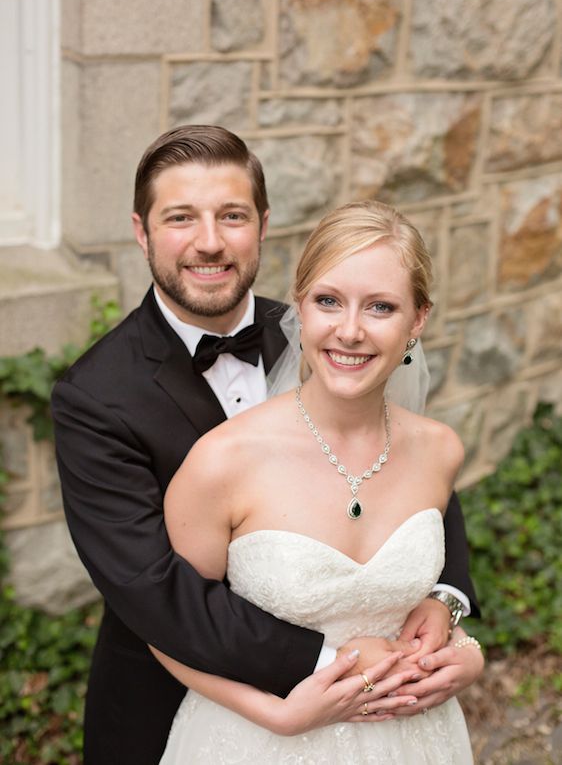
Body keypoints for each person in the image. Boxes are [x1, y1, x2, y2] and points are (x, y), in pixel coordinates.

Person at [51, 127, 480, 765]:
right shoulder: (94, 395)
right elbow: (152, 587)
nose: (210, 241)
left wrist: (447, 605)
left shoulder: (331, 330)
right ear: (141, 232)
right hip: (181, 700)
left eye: (232, 215)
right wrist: (331, 663)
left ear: (263, 224)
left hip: (393, 710)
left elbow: (409, 481)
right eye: (180, 218)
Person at [152, 199, 483, 763]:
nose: (349, 332)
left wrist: (463, 647)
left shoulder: (438, 450)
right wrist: (277, 716)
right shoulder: (223, 462)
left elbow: (431, 597)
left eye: (380, 307)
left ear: (418, 319)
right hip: (256, 740)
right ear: (300, 306)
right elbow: (170, 629)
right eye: (328, 301)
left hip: (415, 739)